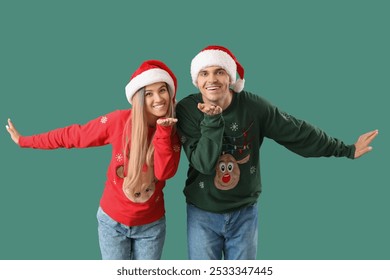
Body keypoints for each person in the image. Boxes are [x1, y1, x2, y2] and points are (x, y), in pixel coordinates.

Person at [176, 45, 378, 260]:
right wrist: (212, 121)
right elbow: (204, 163)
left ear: (230, 77)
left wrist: (346, 149)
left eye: (220, 72)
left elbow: (297, 132)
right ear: (196, 81)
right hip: (202, 213)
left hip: (244, 212)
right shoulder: (188, 110)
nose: (212, 79)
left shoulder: (254, 107)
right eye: (204, 73)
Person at [5, 60, 181, 260]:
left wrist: (164, 132)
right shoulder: (119, 122)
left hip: (151, 227)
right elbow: (73, 135)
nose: (158, 98)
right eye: (148, 93)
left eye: (162, 90)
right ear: (139, 98)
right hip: (112, 224)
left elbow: (164, 172)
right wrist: (24, 141)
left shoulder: (172, 131)